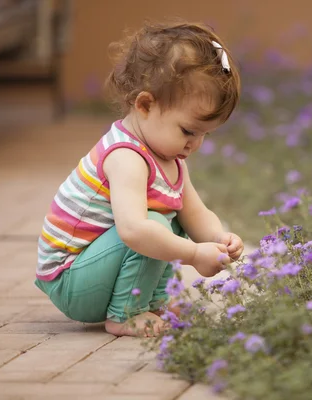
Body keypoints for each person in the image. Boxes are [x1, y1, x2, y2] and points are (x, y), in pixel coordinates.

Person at [35, 20, 244, 337]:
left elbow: (195, 213)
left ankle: (152, 304)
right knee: (151, 225)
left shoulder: (168, 157)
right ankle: (125, 315)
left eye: (204, 135)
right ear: (145, 104)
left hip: (96, 268)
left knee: (171, 220)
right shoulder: (126, 157)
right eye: (188, 131)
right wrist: (192, 255)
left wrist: (218, 240)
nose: (195, 144)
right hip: (69, 278)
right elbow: (133, 231)